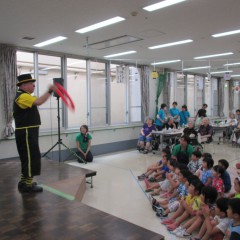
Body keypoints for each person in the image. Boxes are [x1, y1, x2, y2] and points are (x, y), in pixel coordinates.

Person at [13, 74, 55, 193]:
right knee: (31, 157)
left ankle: (24, 182)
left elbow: (38, 99)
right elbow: (39, 101)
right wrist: (50, 90)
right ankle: (28, 185)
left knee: (28, 157)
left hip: (28, 131)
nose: (34, 85)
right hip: (26, 132)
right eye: (32, 83)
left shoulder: (25, 96)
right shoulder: (22, 96)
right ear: (24, 85)